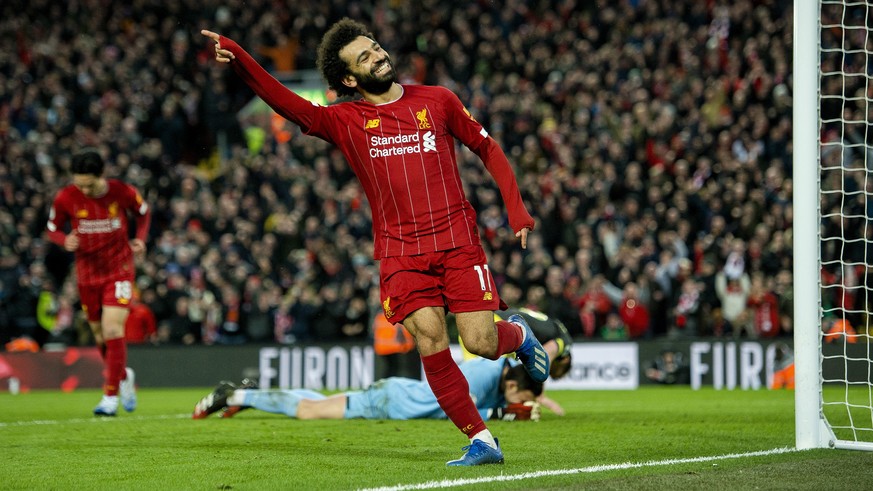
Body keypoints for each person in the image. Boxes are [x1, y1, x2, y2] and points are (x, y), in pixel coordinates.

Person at [201, 18, 549, 466]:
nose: (379, 56)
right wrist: (241, 58)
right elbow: (284, 102)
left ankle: (518, 334)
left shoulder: (438, 100)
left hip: (457, 240)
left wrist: (516, 207)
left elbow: (488, 149)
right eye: (364, 56)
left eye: (377, 48)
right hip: (400, 252)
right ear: (348, 78)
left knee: (480, 342)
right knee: (429, 338)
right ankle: (482, 439)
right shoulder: (346, 120)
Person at [45, 149, 151, 416]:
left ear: (101, 176)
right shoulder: (66, 197)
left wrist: (140, 238)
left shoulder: (121, 192)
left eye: (89, 184)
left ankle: (109, 397)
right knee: (100, 336)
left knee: (113, 329)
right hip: (87, 275)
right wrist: (63, 240)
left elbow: (144, 212)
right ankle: (122, 376)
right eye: (79, 183)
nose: (84, 189)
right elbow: (51, 228)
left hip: (119, 270)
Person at [192, 357, 543, 424]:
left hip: (397, 396)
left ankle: (252, 392)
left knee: (317, 403)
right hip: (391, 402)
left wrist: (524, 405)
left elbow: (511, 396)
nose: (522, 403)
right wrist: (505, 413)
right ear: (513, 385)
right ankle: (234, 395)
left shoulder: (500, 376)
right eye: (524, 397)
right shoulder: (484, 373)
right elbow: (456, 407)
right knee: (309, 411)